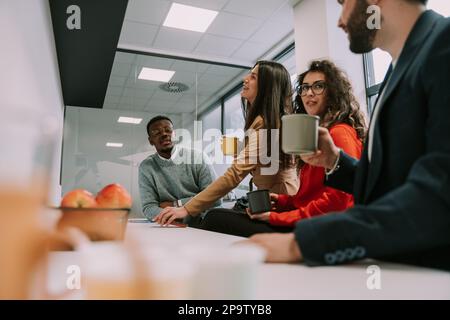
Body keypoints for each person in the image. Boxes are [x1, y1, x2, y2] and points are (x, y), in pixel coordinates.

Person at [245, 0, 450, 271]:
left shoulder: (443, 46)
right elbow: (389, 184)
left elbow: (439, 195)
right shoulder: (397, 67)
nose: (340, 20)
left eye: (343, 3)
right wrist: (335, 162)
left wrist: (303, 243)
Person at [199, 59, 366, 237]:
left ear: (334, 92)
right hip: (306, 220)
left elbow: (335, 205)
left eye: (318, 86)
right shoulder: (317, 134)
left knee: (214, 218)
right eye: (304, 88)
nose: (309, 93)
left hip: (320, 230)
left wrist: (275, 218)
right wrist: (283, 201)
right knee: (220, 217)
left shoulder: (340, 133)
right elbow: (308, 198)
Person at [154, 61, 299, 226]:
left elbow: (234, 175)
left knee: (213, 219)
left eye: (253, 77)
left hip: (280, 206)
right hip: (268, 201)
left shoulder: (267, 123)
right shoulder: (265, 121)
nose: (245, 79)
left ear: (267, 87)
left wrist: (186, 208)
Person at [138, 115, 221, 225]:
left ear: (174, 134)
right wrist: (175, 218)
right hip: (171, 226)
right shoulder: (146, 167)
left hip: (204, 224)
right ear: (151, 141)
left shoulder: (198, 157)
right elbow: (149, 208)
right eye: (157, 133)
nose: (164, 134)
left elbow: (215, 199)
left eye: (168, 130)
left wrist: (176, 204)